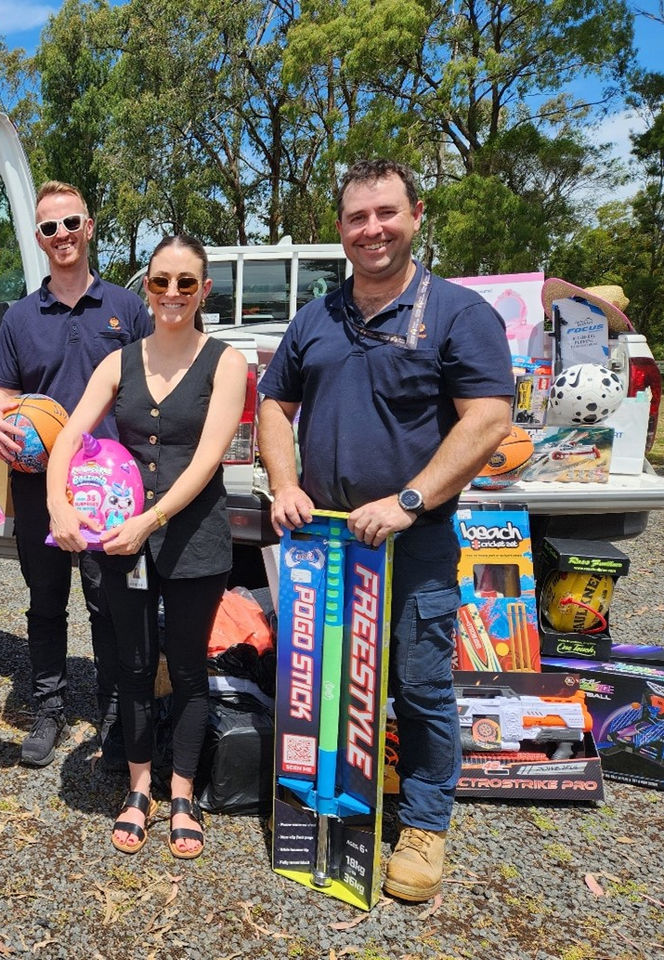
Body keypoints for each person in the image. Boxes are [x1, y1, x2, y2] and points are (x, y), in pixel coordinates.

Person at [257, 159, 513, 901]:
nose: (372, 229)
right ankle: (334, 804)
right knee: (324, 684)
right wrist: (283, 483)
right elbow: (274, 407)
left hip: (412, 539)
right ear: (339, 229)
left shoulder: (460, 314)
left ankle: (427, 823)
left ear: (416, 215)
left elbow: (490, 419)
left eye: (386, 213)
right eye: (357, 217)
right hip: (326, 542)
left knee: (421, 685)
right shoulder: (315, 318)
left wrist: (408, 500)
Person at [48, 235, 246, 859]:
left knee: (188, 670)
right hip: (122, 541)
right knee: (132, 667)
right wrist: (59, 503)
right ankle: (139, 788)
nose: (172, 295)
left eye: (186, 283)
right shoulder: (120, 361)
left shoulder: (227, 363)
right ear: (147, 287)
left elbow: (210, 457)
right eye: (161, 282)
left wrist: (151, 520)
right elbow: (67, 437)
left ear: (204, 289)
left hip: (194, 537)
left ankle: (182, 792)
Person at [0, 181, 154, 768]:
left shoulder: (126, 309)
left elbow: (154, 383)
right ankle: (48, 708)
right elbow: (3, 393)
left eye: (71, 222)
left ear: (90, 225)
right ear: (39, 238)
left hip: (109, 488)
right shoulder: (20, 317)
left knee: (108, 603)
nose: (62, 235)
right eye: (49, 228)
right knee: (45, 600)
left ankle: (112, 715)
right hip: (39, 486)